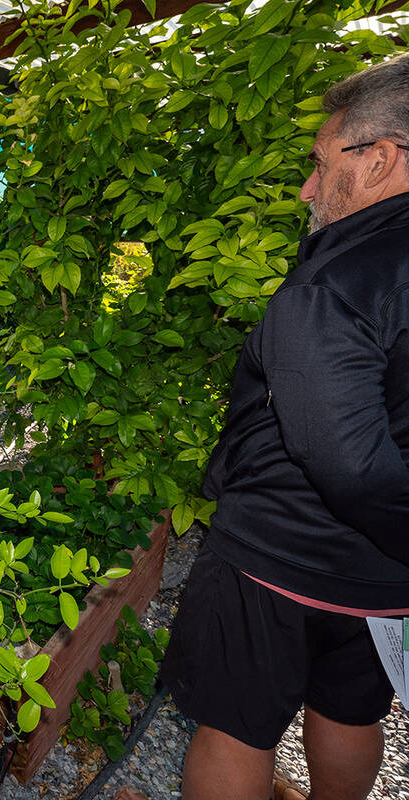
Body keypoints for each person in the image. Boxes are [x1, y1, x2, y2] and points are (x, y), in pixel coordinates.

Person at [160, 54, 409, 800]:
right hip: (381, 576)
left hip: (278, 557)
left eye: (319, 161)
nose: (307, 186)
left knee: (234, 727)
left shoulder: (336, 281)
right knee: (349, 707)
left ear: (380, 159)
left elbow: (346, 459)